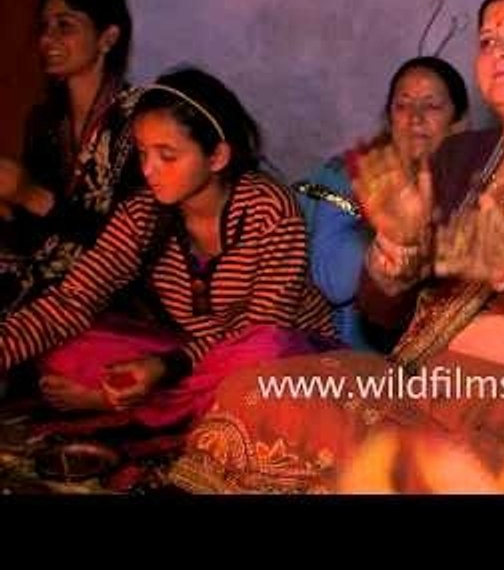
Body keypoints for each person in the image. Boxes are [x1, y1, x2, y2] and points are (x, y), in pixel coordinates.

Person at [167, 0, 504, 493]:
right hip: (414, 381)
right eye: (486, 40)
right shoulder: (460, 158)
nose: (498, 49)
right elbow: (381, 315)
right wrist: (397, 248)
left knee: (409, 468)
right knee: (253, 391)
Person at [0, 67, 336, 429]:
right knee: (66, 347)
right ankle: (174, 404)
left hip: (290, 358)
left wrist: (166, 368)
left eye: (167, 156)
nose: (149, 170)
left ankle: (135, 405)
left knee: (260, 360)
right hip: (194, 357)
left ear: (217, 157)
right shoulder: (142, 213)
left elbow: (262, 329)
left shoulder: (269, 208)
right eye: (143, 153)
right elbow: (72, 300)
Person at [294, 56, 468, 351]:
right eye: (403, 105)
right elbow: (336, 282)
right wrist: (388, 227)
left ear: (458, 123)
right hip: (354, 360)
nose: (415, 117)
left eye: (432, 106)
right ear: (389, 118)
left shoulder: (477, 182)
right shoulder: (349, 177)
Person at [0, 0, 142, 317]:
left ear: (107, 38)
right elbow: (34, 227)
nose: (47, 39)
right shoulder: (46, 121)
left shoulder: (141, 120)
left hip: (113, 286)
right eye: (44, 27)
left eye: (65, 26)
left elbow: (134, 241)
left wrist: (32, 197)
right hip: (45, 268)